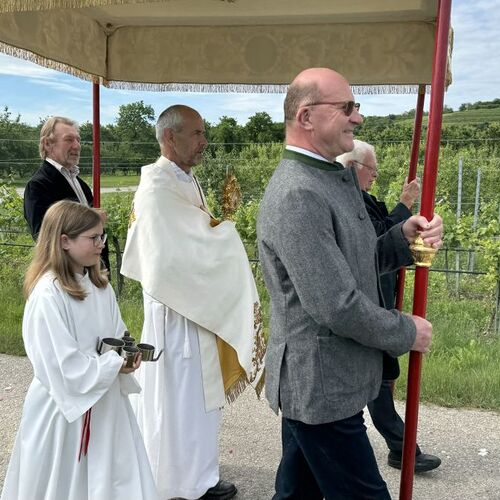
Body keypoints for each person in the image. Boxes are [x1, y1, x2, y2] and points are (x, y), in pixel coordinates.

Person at [257, 68, 443, 499]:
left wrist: (402, 238)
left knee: (297, 493)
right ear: (306, 117)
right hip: (320, 385)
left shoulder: (327, 179)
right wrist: (404, 330)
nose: (357, 118)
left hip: (327, 379)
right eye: (346, 108)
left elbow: (354, 264)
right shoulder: (299, 194)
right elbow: (335, 303)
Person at [121, 105, 265, 500]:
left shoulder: (185, 180)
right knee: (179, 400)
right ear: (170, 138)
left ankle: (200, 474)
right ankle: (180, 483)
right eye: (197, 133)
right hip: (177, 311)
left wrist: (216, 231)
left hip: (196, 304)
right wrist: (226, 235)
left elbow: (195, 238)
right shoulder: (156, 188)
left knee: (201, 400)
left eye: (204, 133)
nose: (204, 141)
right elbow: (173, 256)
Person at [1, 200, 158, 500]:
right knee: (64, 484)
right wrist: (112, 364)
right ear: (64, 241)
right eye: (93, 238)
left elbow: (116, 332)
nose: (101, 244)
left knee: (114, 480)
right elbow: (62, 366)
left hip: (106, 406)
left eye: (102, 237)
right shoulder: (48, 295)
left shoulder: (100, 287)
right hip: (64, 412)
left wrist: (126, 356)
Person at [338, 139, 441, 473]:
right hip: (366, 300)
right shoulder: (347, 201)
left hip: (378, 291)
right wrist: (404, 203)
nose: (374, 176)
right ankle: (403, 447)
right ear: (354, 167)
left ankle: (402, 447)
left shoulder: (362, 199)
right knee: (377, 377)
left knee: (378, 377)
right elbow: (378, 235)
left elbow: (381, 238)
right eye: (372, 169)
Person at [23, 116, 110, 273]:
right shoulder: (38, 186)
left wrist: (102, 269)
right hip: (65, 276)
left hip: (92, 274)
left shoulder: (81, 184)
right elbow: (44, 238)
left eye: (78, 140)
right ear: (47, 144)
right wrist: (92, 220)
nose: (77, 146)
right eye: (69, 140)